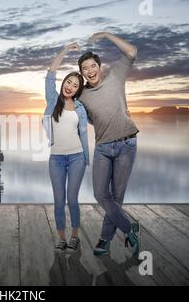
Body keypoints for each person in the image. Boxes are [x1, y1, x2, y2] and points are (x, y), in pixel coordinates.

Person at [77, 32, 140, 256]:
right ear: (82, 73)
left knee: (117, 196)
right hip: (103, 147)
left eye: (93, 65)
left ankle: (104, 239)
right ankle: (129, 227)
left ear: (99, 66)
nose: (90, 71)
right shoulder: (82, 95)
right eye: (85, 68)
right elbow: (87, 118)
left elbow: (132, 51)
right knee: (101, 194)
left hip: (127, 144)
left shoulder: (115, 74)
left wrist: (105, 34)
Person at [43, 43, 90, 252]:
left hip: (77, 157)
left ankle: (74, 236)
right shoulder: (53, 100)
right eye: (68, 82)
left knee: (72, 198)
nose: (69, 86)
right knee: (59, 200)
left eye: (74, 85)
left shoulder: (80, 108)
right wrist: (64, 51)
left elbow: (84, 132)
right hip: (56, 159)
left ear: (78, 90)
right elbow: (50, 74)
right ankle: (61, 237)